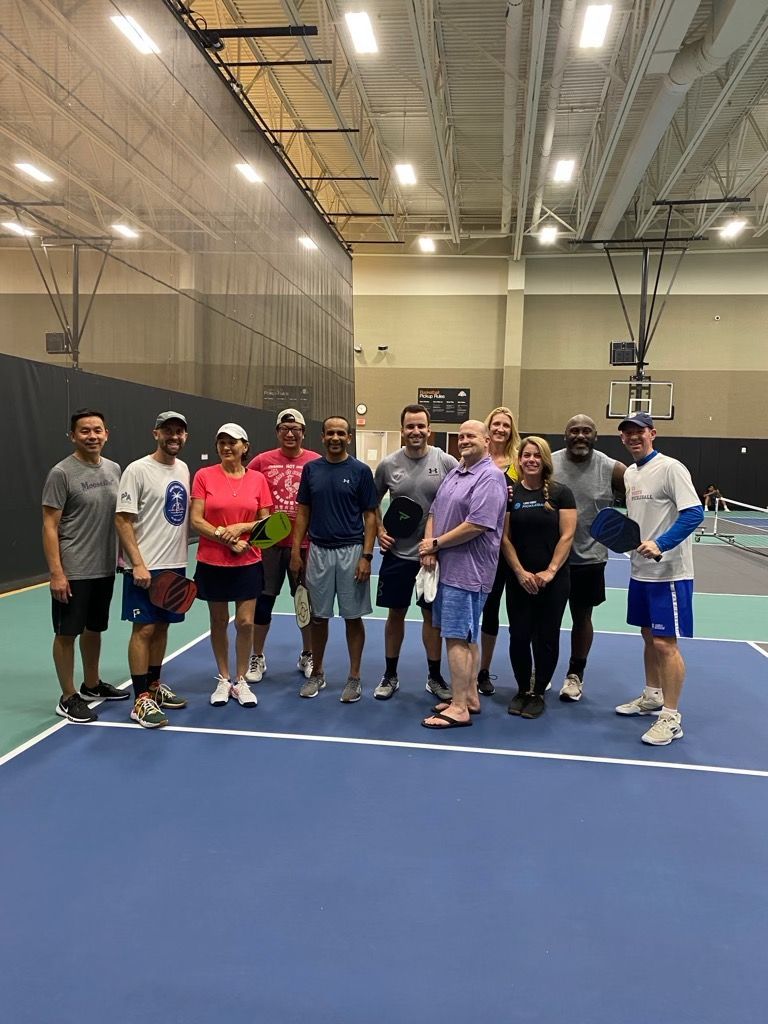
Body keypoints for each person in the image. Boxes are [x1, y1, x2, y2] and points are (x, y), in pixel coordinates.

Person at [614, 412, 704, 745]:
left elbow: (694, 513)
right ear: (622, 438)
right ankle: (653, 696)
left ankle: (671, 717)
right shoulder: (630, 474)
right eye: (627, 433)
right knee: (648, 636)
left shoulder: (670, 468)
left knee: (666, 644)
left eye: (639, 431)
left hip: (670, 574)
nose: (633, 437)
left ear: (652, 433)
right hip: (641, 572)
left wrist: (661, 544)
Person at [419, 421, 507, 729]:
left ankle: (458, 708)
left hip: (469, 572)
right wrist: (430, 548)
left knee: (457, 637)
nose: (464, 440)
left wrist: (436, 544)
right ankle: (469, 696)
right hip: (446, 568)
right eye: (461, 436)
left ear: (487, 441)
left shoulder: (491, 477)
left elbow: (477, 524)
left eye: (471, 435)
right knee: (466, 636)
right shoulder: (456, 472)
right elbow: (434, 511)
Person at [42, 408, 127, 723]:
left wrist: (122, 556)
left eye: (97, 430)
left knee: (94, 629)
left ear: (106, 434)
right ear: (72, 436)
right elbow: (50, 525)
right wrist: (57, 573)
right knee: (67, 633)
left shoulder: (114, 469)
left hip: (104, 568)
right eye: (85, 431)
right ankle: (67, 697)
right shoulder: (61, 473)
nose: (92, 436)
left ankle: (91, 685)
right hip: (74, 569)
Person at [290, 416, 378, 702]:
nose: (335, 438)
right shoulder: (311, 470)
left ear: (349, 437)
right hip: (318, 552)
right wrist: (295, 551)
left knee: (352, 618)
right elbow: (303, 512)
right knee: (318, 618)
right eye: (330, 433)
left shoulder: (361, 471)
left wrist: (366, 556)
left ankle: (354, 678)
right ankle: (317, 673)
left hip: (351, 552)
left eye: (341, 433)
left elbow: (370, 516)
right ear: (323, 437)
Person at [373, 404, 458, 701]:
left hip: (432, 557)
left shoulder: (446, 461)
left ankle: (434, 677)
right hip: (397, 555)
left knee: (431, 617)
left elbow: (459, 498)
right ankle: (390, 675)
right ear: (402, 430)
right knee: (395, 614)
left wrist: (438, 543)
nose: (416, 431)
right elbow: (371, 502)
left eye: (421, 426)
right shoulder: (388, 465)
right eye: (410, 426)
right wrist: (380, 530)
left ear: (429, 430)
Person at [115, 411, 191, 729]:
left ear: (185, 436)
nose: (174, 436)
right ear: (155, 433)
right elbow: (123, 519)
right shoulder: (137, 470)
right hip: (145, 567)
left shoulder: (183, 469)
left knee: (161, 628)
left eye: (179, 431)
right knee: (143, 630)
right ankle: (140, 699)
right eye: (167, 430)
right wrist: (137, 563)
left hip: (175, 565)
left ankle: (155, 685)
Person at [190, 424, 273, 708]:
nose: (227, 447)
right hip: (213, 560)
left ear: (245, 446)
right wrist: (225, 538)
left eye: (233, 442)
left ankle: (241, 680)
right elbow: (197, 519)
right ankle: (224, 679)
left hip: (248, 560)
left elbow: (266, 520)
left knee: (245, 622)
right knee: (218, 620)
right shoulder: (204, 476)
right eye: (222, 442)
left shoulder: (258, 479)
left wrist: (241, 528)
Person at [551, 414, 626, 702]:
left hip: (589, 560)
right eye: (574, 431)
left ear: (595, 436)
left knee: (582, 618)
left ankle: (575, 675)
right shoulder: (549, 463)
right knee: (545, 619)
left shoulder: (611, 468)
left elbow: (643, 495)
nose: (580, 436)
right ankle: (541, 671)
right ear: (565, 435)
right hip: (550, 559)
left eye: (586, 431)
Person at [502, 436, 577, 719]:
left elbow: (567, 535)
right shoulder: (511, 495)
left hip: (553, 582)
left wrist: (550, 571)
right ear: (519, 460)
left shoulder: (561, 493)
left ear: (544, 460)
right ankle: (523, 689)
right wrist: (520, 572)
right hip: (519, 580)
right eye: (526, 455)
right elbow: (504, 538)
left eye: (536, 455)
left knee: (546, 637)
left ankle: (538, 693)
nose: (531, 460)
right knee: (519, 636)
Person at [246, 409, 320, 684]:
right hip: (269, 546)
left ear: (303, 432)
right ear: (277, 432)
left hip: (305, 545)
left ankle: (307, 654)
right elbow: (247, 494)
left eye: (295, 429)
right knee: (264, 601)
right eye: (285, 429)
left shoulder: (315, 462)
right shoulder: (261, 462)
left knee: (305, 602)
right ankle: (257, 656)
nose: (290, 433)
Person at [476, 406, 521, 697]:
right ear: (488, 428)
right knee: (488, 610)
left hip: (515, 548)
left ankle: (526, 673)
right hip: (483, 549)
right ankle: (480, 670)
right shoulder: (477, 460)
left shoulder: (520, 461)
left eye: (506, 425)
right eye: (496, 424)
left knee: (520, 613)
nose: (500, 429)